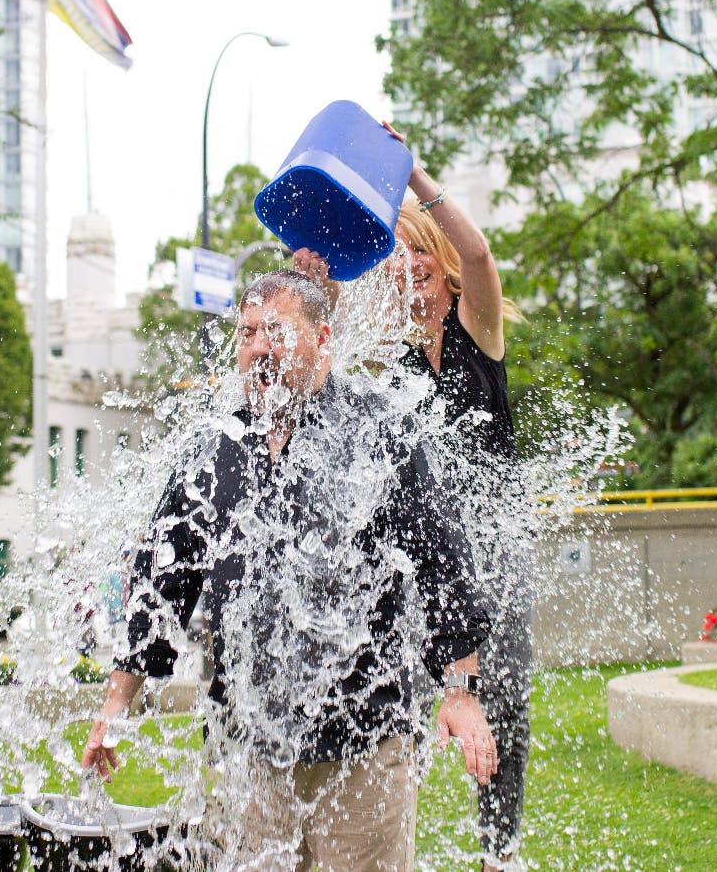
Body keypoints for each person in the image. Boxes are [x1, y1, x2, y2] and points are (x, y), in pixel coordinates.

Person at [81, 270, 496, 872]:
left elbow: (442, 564)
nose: (258, 347)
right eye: (247, 333)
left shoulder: (377, 431)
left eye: (276, 331)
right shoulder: (215, 448)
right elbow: (161, 585)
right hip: (249, 748)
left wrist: (460, 694)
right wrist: (115, 706)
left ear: (322, 336)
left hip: (365, 742)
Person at [292, 123, 532, 872]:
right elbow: (325, 372)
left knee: (504, 696)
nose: (411, 267)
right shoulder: (393, 367)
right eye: (400, 257)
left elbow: (484, 255)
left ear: (444, 262)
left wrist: (416, 177)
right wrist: (313, 281)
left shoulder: (476, 331)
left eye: (421, 251)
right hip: (431, 556)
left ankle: (501, 853)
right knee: (399, 685)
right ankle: (391, 836)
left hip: (497, 550)